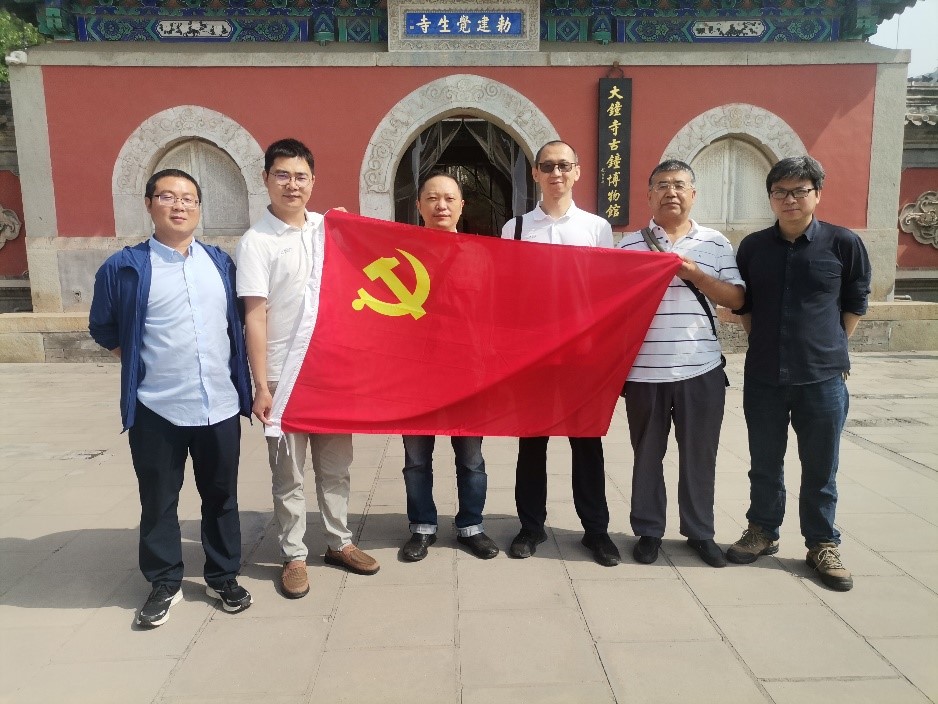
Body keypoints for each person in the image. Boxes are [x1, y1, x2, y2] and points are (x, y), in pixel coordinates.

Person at [89, 168, 253, 627]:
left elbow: (238, 324)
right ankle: (164, 581)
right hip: (156, 407)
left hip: (218, 404)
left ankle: (223, 576)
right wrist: (143, 364)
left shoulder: (220, 263)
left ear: (199, 207)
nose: (179, 205)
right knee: (159, 500)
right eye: (167, 196)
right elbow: (103, 327)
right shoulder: (124, 267)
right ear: (149, 204)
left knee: (221, 496)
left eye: (188, 198)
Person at [236, 138, 379, 600]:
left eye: (300, 176)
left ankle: (339, 541)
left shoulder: (326, 228)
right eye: (282, 175)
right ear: (266, 179)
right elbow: (254, 316)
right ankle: (294, 555)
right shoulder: (256, 242)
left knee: (336, 467)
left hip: (330, 370)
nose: (292, 185)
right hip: (283, 373)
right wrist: (261, 384)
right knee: (289, 474)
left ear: (313, 182)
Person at [727, 155, 871, 592]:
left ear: (816, 194)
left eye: (799, 191)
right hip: (765, 377)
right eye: (780, 192)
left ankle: (822, 543)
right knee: (764, 463)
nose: (789, 199)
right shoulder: (753, 247)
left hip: (822, 380)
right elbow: (746, 306)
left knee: (821, 468)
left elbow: (855, 302)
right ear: (771, 197)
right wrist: (763, 343)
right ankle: (762, 530)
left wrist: (830, 347)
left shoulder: (843, 243)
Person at [617, 160, 744, 568]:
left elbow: (736, 299)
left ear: (693, 194)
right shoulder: (627, 247)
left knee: (699, 456)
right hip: (644, 372)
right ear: (649, 195)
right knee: (646, 457)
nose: (670, 192)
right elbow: (615, 309)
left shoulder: (715, 243)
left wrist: (697, 276)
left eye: (678, 185)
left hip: (701, 369)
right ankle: (649, 531)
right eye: (662, 185)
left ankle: (700, 532)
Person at [500, 140, 619, 567]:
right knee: (531, 444)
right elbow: (508, 289)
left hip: (582, 356)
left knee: (587, 443)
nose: (556, 174)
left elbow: (605, 290)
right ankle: (531, 526)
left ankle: (596, 531)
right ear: (535, 173)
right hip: (533, 356)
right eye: (547, 166)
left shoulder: (596, 228)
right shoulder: (515, 228)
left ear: (577, 171)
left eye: (564, 166)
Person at [400, 172, 499, 562]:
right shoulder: (401, 253)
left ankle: (471, 525)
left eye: (448, 199)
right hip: (415, 375)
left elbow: (495, 313)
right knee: (416, 460)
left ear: (461, 206)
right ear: (419, 205)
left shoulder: (480, 254)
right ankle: (422, 526)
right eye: (432, 198)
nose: (440, 206)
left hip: (467, 374)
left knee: (471, 459)